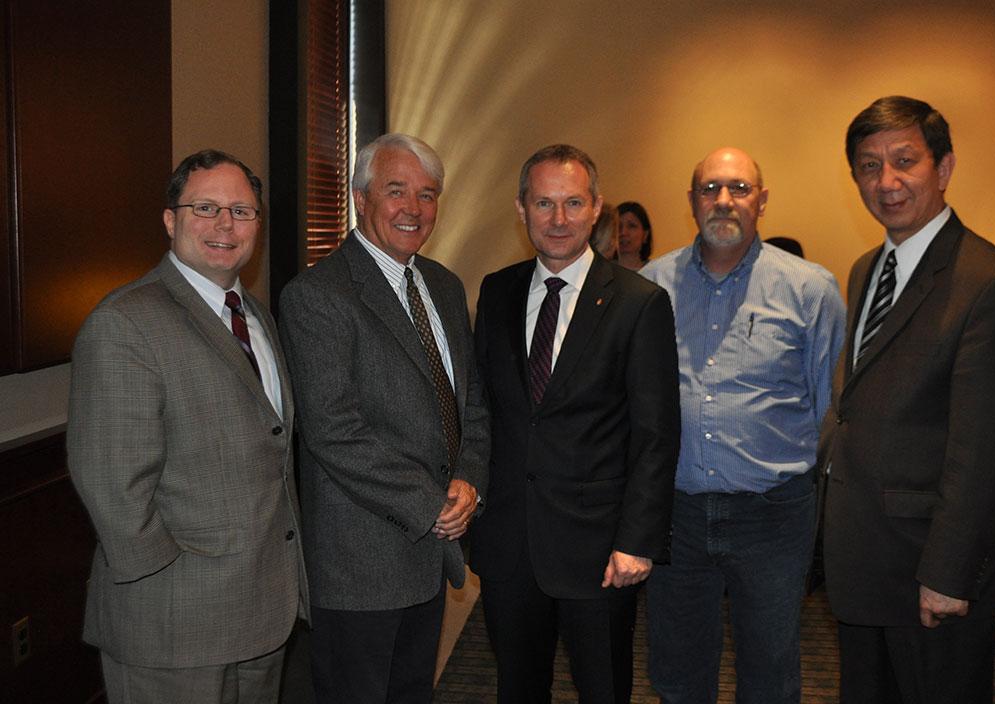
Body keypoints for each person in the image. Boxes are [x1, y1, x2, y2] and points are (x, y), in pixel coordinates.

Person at [820, 96, 995, 703]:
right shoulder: (868, 268)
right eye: (868, 165)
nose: (885, 182)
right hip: (866, 563)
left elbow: (985, 454)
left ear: (943, 168)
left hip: (933, 576)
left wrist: (946, 573)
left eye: (904, 161)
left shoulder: (991, 284)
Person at [67, 150, 307, 703]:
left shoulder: (255, 315)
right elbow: (112, 485)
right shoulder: (125, 323)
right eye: (206, 207)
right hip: (174, 629)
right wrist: (174, 589)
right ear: (171, 220)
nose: (225, 224)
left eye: (242, 212)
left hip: (262, 614)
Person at [279, 133, 490, 704]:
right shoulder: (317, 296)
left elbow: (469, 402)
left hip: (428, 552)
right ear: (358, 198)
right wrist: (433, 506)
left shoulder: (444, 286)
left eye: (428, 194)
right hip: (360, 564)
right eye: (396, 191)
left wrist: (469, 481)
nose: (414, 209)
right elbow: (335, 432)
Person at [471, 144, 680, 703]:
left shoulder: (640, 302)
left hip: (600, 552)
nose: (558, 219)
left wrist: (638, 541)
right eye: (544, 203)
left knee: (603, 691)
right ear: (521, 209)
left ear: (596, 209)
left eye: (572, 203)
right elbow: (484, 409)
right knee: (517, 689)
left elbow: (657, 435)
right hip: (510, 544)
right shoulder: (497, 290)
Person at [640, 147, 845, 703]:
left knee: (770, 671)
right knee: (677, 671)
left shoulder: (810, 289)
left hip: (772, 516)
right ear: (691, 201)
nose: (723, 201)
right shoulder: (650, 286)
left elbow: (829, 406)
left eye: (739, 188)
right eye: (710, 189)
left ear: (762, 200)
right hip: (675, 514)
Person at [616, 200, 653, 270]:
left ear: (645, 235)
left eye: (631, 226)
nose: (623, 232)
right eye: (618, 226)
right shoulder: (602, 270)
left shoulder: (655, 271)